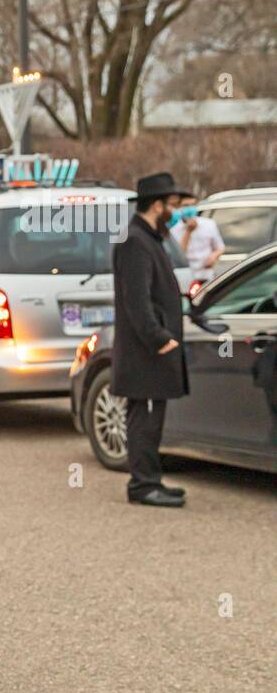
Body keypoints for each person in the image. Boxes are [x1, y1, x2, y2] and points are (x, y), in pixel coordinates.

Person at [112, 172, 190, 508]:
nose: (175, 211)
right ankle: (142, 485)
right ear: (157, 205)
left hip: (152, 351)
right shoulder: (135, 241)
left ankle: (152, 479)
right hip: (144, 352)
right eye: (172, 205)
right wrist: (158, 338)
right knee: (143, 419)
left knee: (152, 418)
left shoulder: (148, 238)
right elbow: (137, 300)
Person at [170, 195, 225, 285]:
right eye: (186, 205)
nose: (190, 208)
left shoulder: (209, 224)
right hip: (186, 278)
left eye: (192, 205)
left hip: (207, 276)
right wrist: (188, 231)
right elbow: (179, 254)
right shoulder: (173, 229)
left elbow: (220, 247)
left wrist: (213, 256)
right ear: (179, 207)